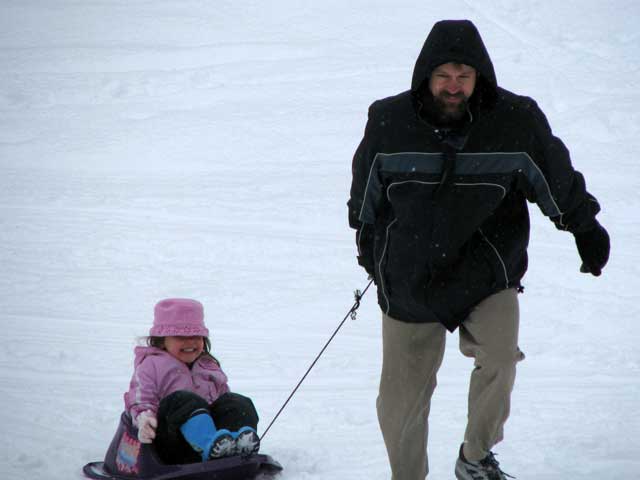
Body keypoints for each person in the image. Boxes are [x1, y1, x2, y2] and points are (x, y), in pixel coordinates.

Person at [347, 19, 610, 480]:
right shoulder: (390, 121)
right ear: (425, 76)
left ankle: (474, 457)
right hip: (410, 271)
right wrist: (370, 248)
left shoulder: (514, 121)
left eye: (464, 77)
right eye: (444, 76)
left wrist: (584, 228)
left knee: (501, 359)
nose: (453, 87)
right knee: (401, 398)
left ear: (480, 76)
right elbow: (364, 195)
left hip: (487, 266)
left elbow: (553, 178)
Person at [124, 298, 260, 464]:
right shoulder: (151, 365)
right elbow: (140, 400)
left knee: (236, 402)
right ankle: (212, 447)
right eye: (180, 336)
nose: (190, 342)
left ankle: (236, 446)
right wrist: (145, 420)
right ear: (162, 339)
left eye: (197, 336)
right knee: (181, 399)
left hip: (215, 437)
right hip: (172, 443)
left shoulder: (208, 366)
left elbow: (223, 402)